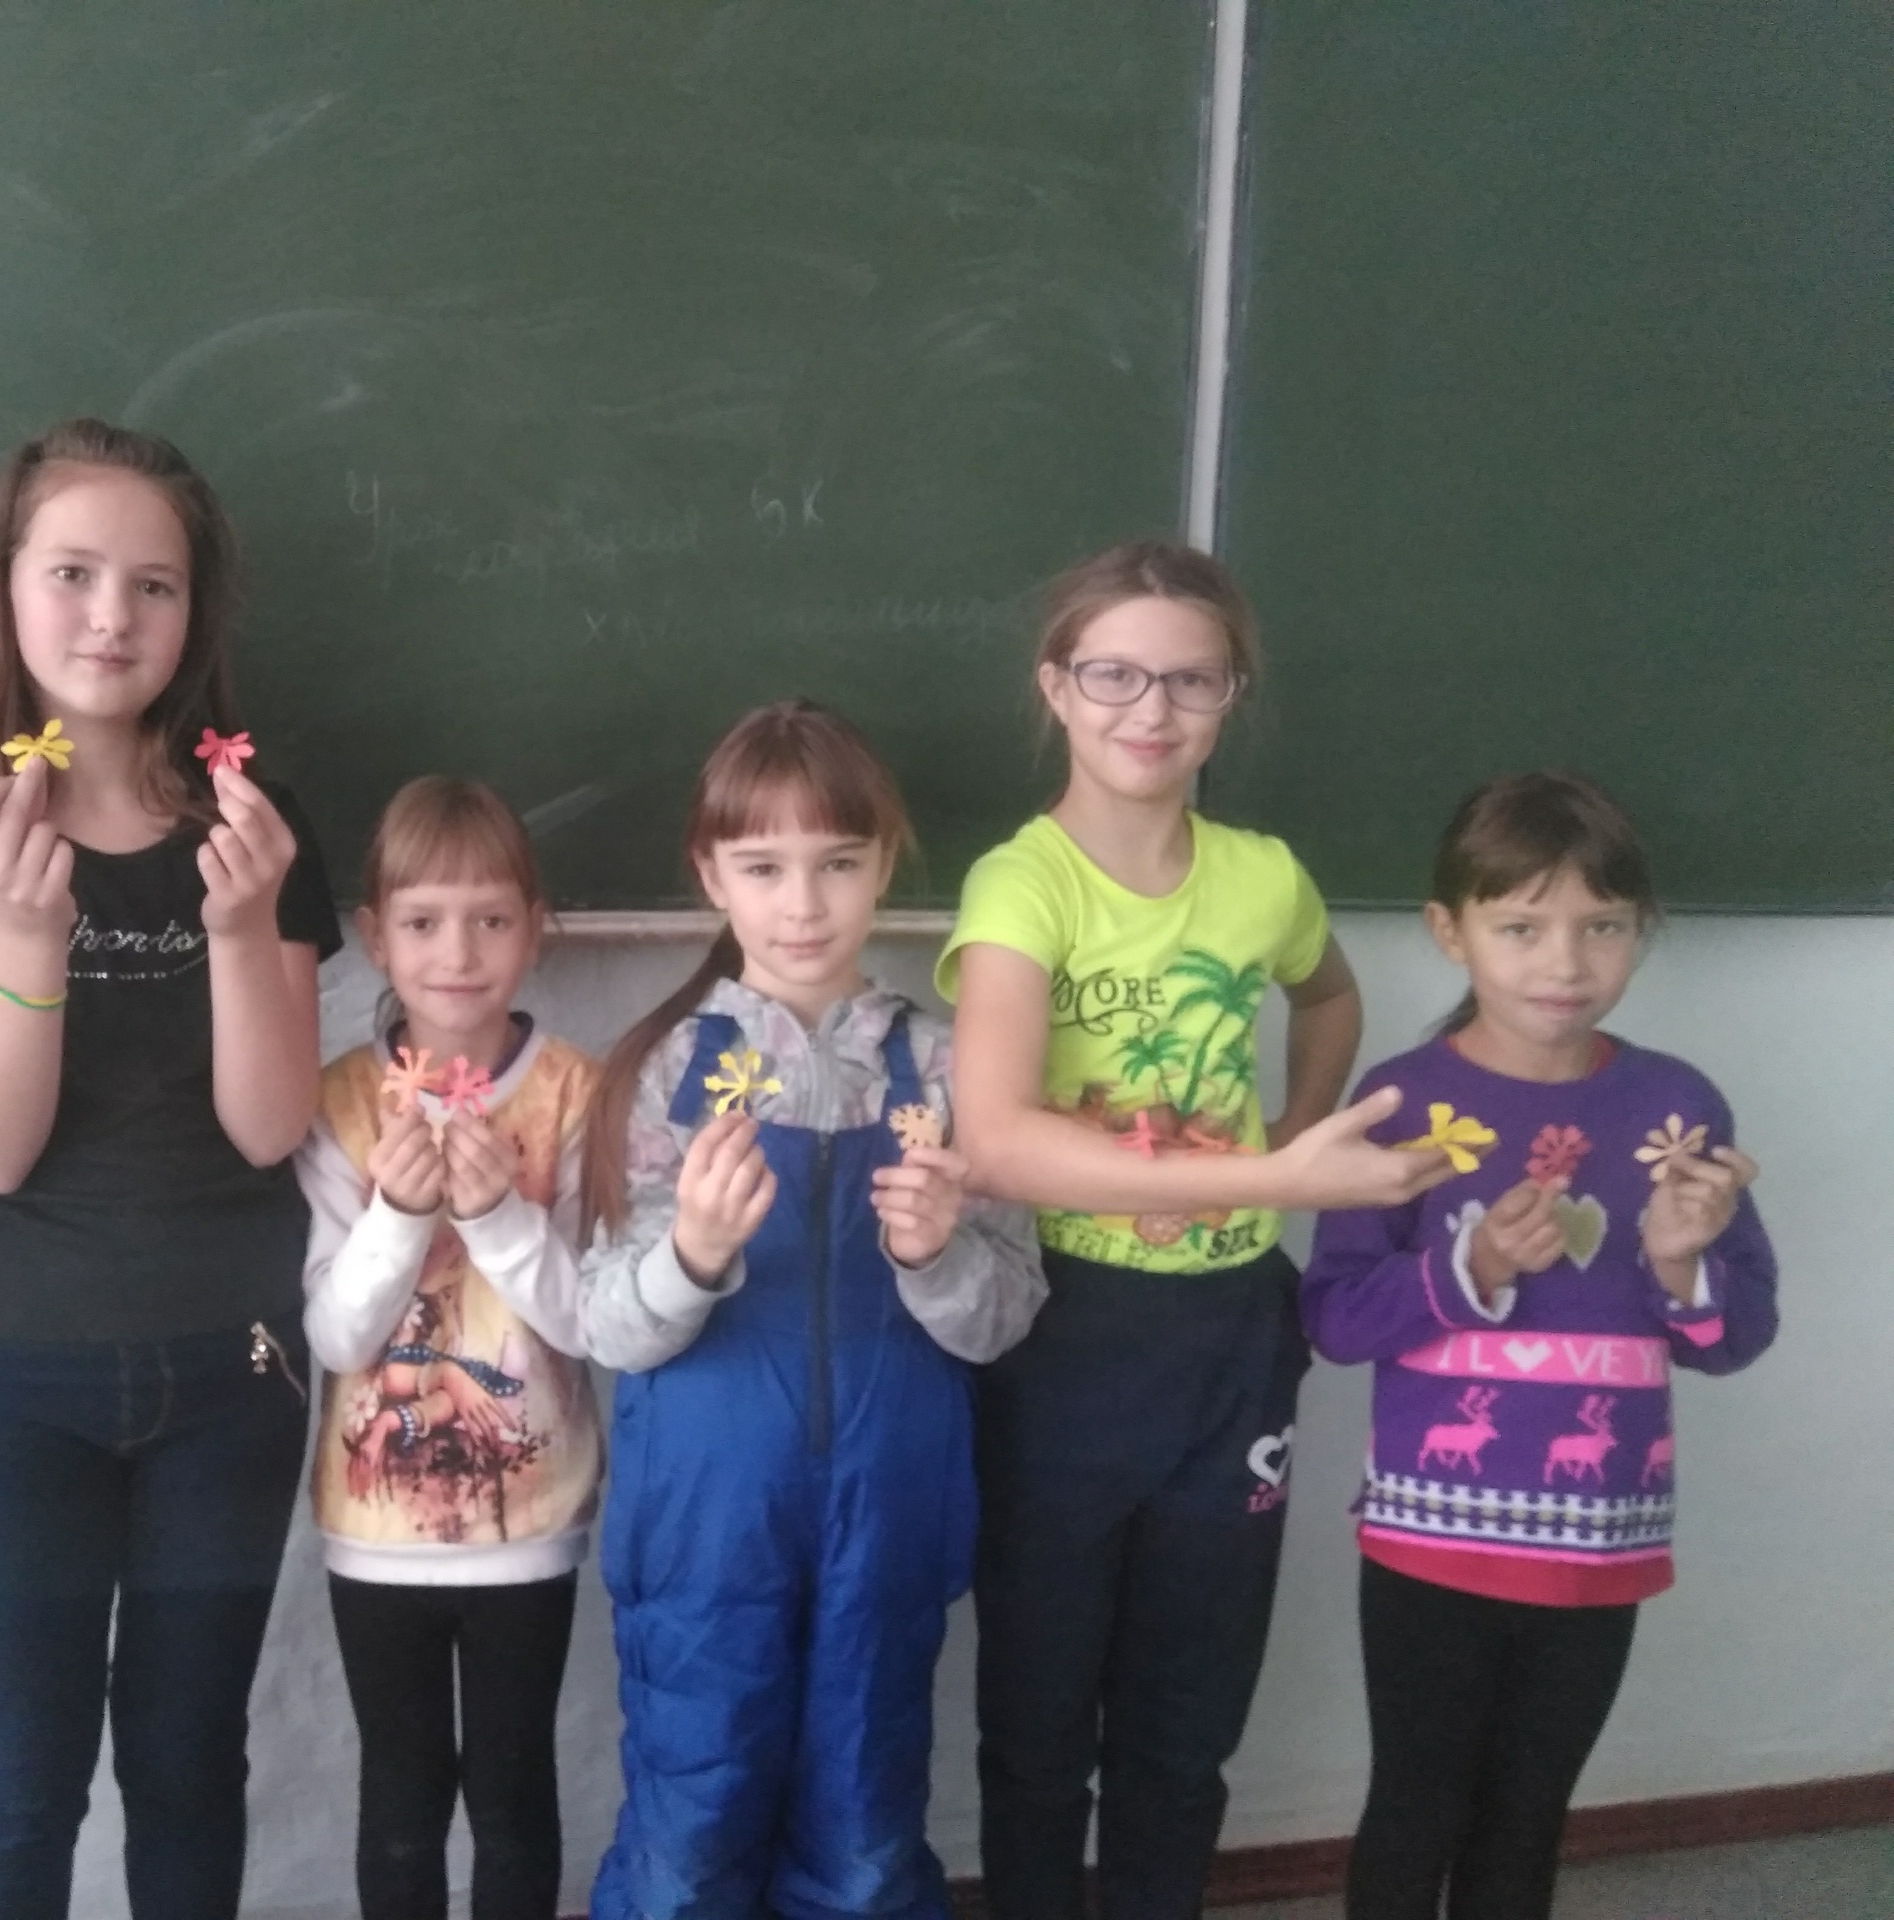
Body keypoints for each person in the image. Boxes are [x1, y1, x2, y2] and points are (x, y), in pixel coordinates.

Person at [0, 418, 339, 1918]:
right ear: (4, 586)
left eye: (155, 584)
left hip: (228, 1370)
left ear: (194, 612)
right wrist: (27, 930)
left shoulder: (255, 830)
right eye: (71, 573)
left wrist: (239, 926)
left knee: (189, 1761)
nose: (112, 616)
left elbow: (269, 1127)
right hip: (13, 1380)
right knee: (21, 1772)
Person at [942, 540, 1451, 1920]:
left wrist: (1293, 1130)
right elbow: (997, 1138)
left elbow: (1329, 995)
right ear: (1056, 686)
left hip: (1231, 1339)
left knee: (1185, 1725)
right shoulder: (1021, 886)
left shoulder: (1263, 878)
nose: (1150, 709)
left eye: (1191, 680)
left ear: (1231, 697)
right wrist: (1282, 1177)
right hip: (1065, 1333)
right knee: (1039, 1722)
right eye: (1114, 674)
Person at [580, 699, 1046, 1920]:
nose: (803, 904)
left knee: (863, 1828)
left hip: (888, 1507)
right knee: (692, 1823)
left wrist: (933, 1255)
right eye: (763, 867)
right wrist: (689, 1253)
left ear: (885, 863)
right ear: (710, 874)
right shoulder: (661, 1072)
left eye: (838, 862)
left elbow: (1004, 1318)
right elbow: (603, 1326)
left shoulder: (946, 1068)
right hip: (705, 1522)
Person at [1302, 770, 1777, 1920]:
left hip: (1596, 1541)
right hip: (1431, 1540)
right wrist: (1468, 1270)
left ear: (1639, 928)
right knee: (1415, 1803)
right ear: (1448, 931)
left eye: (1600, 926)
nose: (1564, 963)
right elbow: (1334, 1316)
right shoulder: (1402, 1103)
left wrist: (1678, 1261)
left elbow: (1736, 1335)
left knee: (1527, 1814)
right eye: (1521, 927)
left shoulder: (1676, 1108)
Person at [296, 774, 602, 1920]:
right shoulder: (339, 1102)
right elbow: (336, 1335)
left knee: (514, 1794)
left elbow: (586, 1321)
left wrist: (498, 1218)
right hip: (375, 1532)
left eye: (490, 919)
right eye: (423, 922)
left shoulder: (574, 1093)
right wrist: (398, 1214)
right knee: (401, 1798)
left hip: (530, 1520)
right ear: (375, 935)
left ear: (534, 927)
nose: (457, 953)